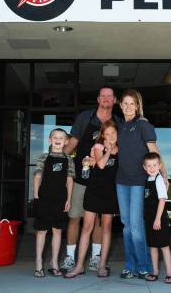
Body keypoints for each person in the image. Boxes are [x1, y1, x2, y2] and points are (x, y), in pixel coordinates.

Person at [61, 87, 118, 272]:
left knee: (100, 221)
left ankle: (95, 258)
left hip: (104, 182)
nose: (106, 99)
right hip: (82, 178)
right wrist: (56, 157)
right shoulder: (85, 117)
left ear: (114, 100)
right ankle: (70, 257)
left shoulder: (118, 122)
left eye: (109, 96)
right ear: (98, 99)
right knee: (75, 217)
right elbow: (73, 143)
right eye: (103, 95)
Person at [116, 89, 168, 279]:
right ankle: (130, 265)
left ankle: (144, 265)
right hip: (121, 181)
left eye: (132, 103)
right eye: (125, 103)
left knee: (136, 225)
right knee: (126, 225)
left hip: (139, 181)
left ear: (137, 106)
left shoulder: (144, 126)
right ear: (120, 105)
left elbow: (153, 151)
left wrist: (163, 174)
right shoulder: (119, 126)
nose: (128, 107)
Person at [33, 128, 75, 278]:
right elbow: (37, 177)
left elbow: (69, 181)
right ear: (50, 140)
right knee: (42, 230)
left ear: (66, 142)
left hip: (60, 199)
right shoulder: (43, 157)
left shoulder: (68, 159)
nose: (58, 139)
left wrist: (69, 200)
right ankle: (38, 262)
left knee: (57, 231)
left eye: (61, 138)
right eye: (55, 137)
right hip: (44, 198)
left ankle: (54, 262)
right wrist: (36, 197)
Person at [143, 152, 171, 284]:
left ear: (159, 166)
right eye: (149, 166)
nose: (152, 168)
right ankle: (155, 271)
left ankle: (169, 273)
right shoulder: (147, 180)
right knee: (153, 246)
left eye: (154, 165)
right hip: (149, 218)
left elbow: (162, 200)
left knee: (164, 245)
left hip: (159, 218)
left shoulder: (158, 179)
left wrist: (157, 219)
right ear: (144, 167)